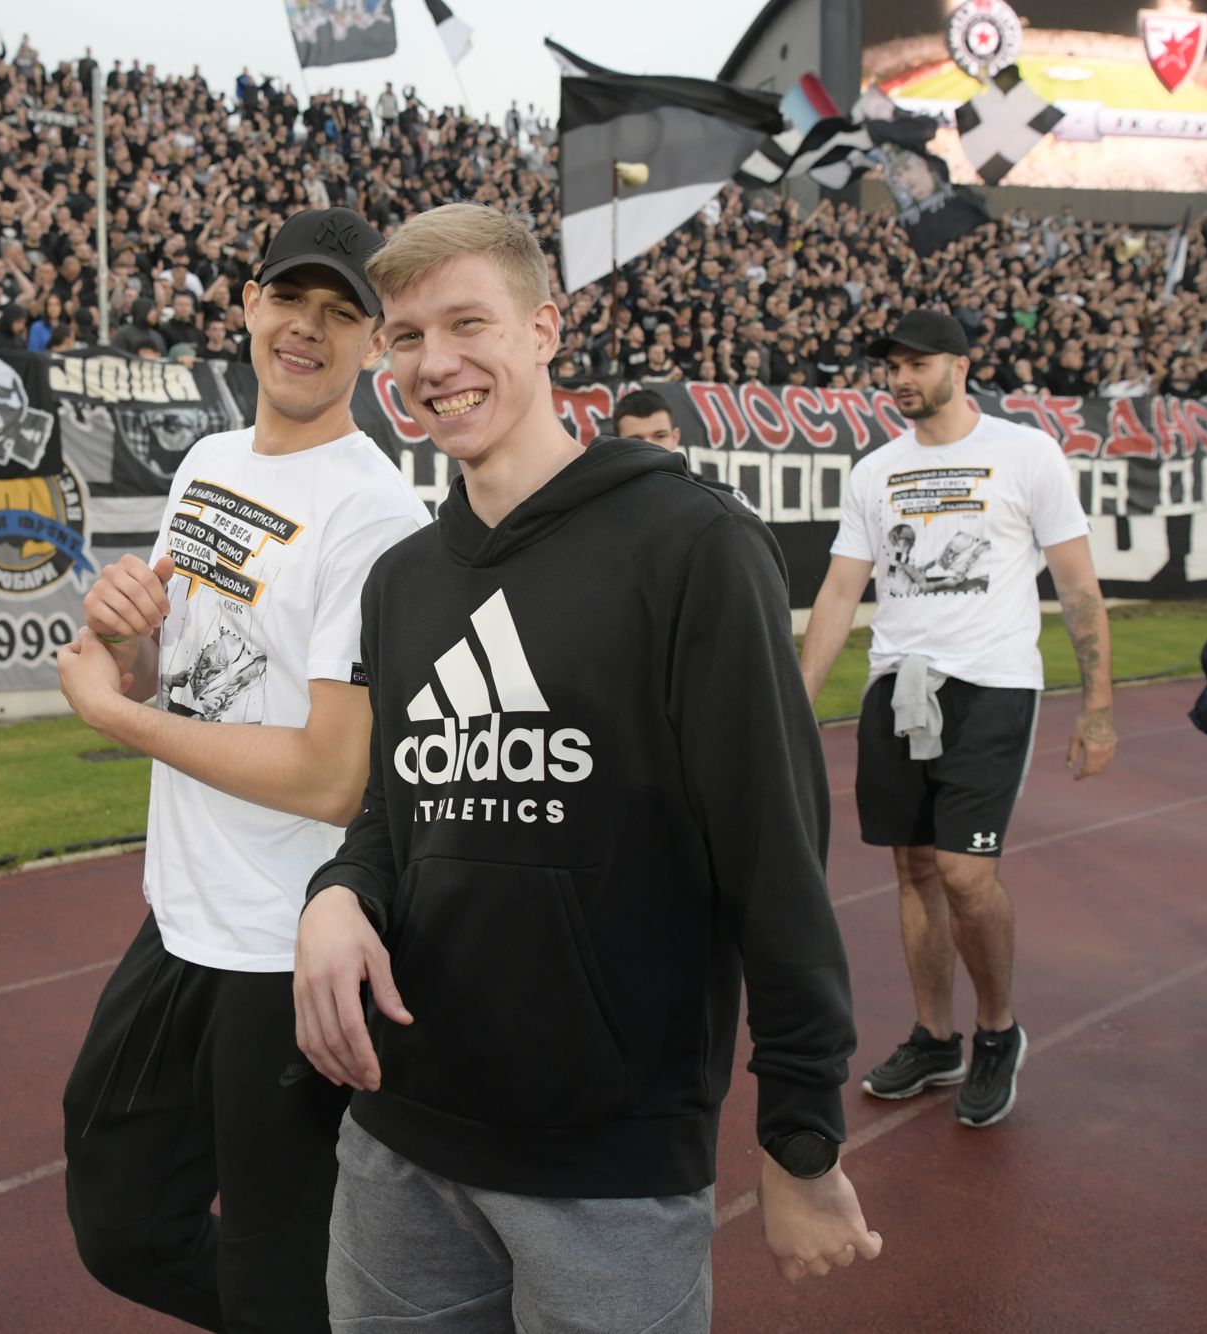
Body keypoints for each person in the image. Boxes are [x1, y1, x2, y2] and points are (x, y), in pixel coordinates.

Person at [292, 203, 879, 1331]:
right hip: (395, 1134)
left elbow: (773, 851)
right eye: (405, 337)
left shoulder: (691, 546)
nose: (435, 363)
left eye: (468, 323)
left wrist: (800, 1135)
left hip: (606, 1163)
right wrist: (335, 891)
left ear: (543, 328)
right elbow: (392, 812)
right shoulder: (401, 579)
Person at [52, 206, 430, 1329]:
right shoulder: (210, 458)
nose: (305, 329)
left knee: (274, 1269)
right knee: (119, 1217)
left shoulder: (371, 514)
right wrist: (125, 628)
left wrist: (117, 723)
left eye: (339, 313)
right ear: (247, 306)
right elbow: (165, 651)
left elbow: (329, 777)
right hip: (180, 919)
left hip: (290, 942)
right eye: (288, 300)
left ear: (372, 343)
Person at [798, 309, 1117, 1129]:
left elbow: (1078, 585)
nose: (902, 377)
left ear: (961, 364)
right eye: (891, 365)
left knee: (968, 875)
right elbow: (841, 590)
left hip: (991, 685)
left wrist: (1101, 706)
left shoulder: (1026, 453)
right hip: (897, 687)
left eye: (917, 362)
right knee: (912, 871)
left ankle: (997, 1031)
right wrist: (798, 698)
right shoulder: (875, 470)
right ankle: (935, 1038)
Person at [611, 387, 752, 506]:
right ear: (618, 443)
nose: (649, 446)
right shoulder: (603, 503)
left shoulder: (727, 500)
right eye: (636, 440)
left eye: (660, 436)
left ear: (675, 437)